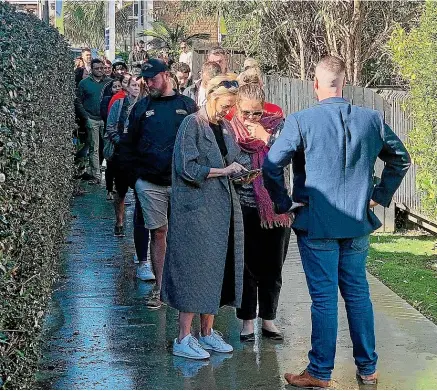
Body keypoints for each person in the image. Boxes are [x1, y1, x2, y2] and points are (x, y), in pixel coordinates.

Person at [262, 56, 411, 388]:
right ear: (343, 83)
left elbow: (271, 166)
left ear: (316, 84)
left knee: (325, 298)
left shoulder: (302, 121)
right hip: (357, 222)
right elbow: (400, 159)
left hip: (317, 224)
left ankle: (319, 372)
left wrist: (285, 203)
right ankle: (368, 369)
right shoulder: (370, 119)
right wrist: (378, 195)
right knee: (358, 294)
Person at [161, 74, 246, 360]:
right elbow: (188, 167)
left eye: (232, 105)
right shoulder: (191, 124)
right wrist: (224, 171)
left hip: (221, 212)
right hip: (195, 214)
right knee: (192, 270)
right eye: (225, 104)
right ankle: (183, 337)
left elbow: (235, 158)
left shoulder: (224, 128)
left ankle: (207, 333)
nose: (228, 110)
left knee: (216, 270)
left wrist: (243, 173)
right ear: (210, 97)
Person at [124, 58, 197, 307]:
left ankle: (185, 288)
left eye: (152, 78)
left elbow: (198, 142)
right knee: (159, 232)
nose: (148, 83)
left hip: (182, 182)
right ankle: (161, 288)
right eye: (145, 79)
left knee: (183, 234)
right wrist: (135, 179)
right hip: (150, 182)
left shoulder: (187, 106)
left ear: (166, 76)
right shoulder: (141, 108)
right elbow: (128, 144)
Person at [230, 83, 291, 342]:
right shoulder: (229, 129)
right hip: (244, 206)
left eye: (256, 113)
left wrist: (268, 137)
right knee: (246, 267)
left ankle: (269, 318)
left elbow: (290, 157)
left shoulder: (278, 126)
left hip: (275, 208)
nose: (251, 119)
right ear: (237, 109)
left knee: (273, 266)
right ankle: (246, 321)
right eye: (246, 113)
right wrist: (237, 176)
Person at [105, 77, 141, 237]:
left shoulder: (145, 106)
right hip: (121, 153)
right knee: (120, 190)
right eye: (133, 85)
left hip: (139, 155)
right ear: (126, 87)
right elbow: (110, 127)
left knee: (141, 190)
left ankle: (140, 223)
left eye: (139, 85)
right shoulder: (119, 105)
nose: (136, 88)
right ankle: (119, 220)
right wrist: (123, 142)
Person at [75, 59, 112, 184]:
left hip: (106, 119)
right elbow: (78, 101)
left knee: (108, 147)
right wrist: (86, 117)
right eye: (97, 68)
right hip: (92, 118)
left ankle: (109, 175)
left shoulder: (109, 82)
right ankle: (96, 175)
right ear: (92, 69)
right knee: (94, 147)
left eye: (102, 68)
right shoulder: (84, 83)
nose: (100, 70)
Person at [100, 77, 123, 200]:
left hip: (120, 136)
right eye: (115, 86)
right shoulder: (108, 100)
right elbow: (105, 116)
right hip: (110, 135)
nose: (117, 88)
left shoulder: (125, 100)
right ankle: (109, 189)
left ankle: (118, 189)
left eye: (119, 86)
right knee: (110, 163)